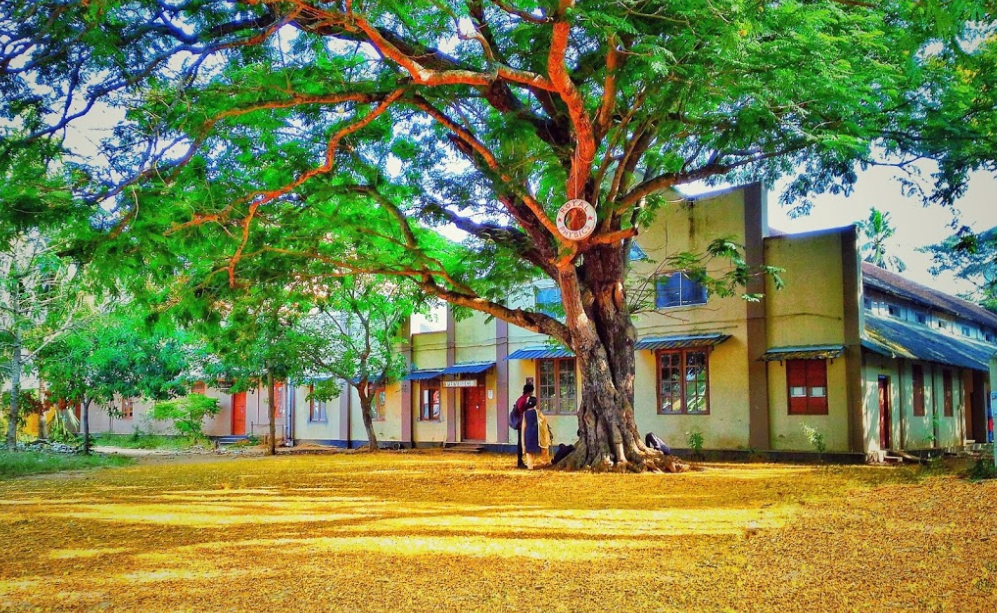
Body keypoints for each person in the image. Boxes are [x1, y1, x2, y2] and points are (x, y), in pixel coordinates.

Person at [511, 383, 535, 469]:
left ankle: (521, 460)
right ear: (529, 392)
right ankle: (520, 461)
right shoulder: (523, 400)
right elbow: (521, 410)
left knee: (521, 442)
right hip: (522, 424)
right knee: (521, 442)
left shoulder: (521, 399)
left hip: (522, 423)